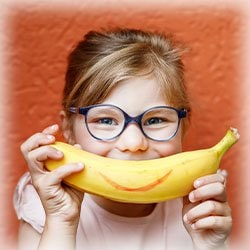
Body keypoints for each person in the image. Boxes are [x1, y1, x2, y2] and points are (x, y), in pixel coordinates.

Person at [14, 28, 232, 250]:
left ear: (183, 126)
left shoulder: (201, 205)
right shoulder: (46, 208)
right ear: (68, 128)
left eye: (156, 120)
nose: (134, 143)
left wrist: (210, 245)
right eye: (106, 121)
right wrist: (61, 222)